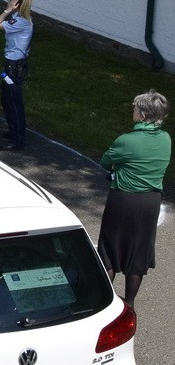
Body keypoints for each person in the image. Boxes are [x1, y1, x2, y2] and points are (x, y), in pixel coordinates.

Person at [96, 91, 171, 308]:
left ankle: (104, 301)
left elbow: (105, 161)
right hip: (150, 202)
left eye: (136, 108)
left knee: (109, 249)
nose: (133, 111)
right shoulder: (166, 138)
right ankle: (129, 302)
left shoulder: (126, 140)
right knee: (138, 252)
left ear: (144, 114)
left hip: (123, 199)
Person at [0, 0, 33, 150]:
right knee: (6, 100)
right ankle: (13, 130)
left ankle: (18, 139)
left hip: (14, 67)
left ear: (15, 3)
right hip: (12, 64)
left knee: (14, 103)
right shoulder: (19, 18)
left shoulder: (20, 21)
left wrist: (7, 10)